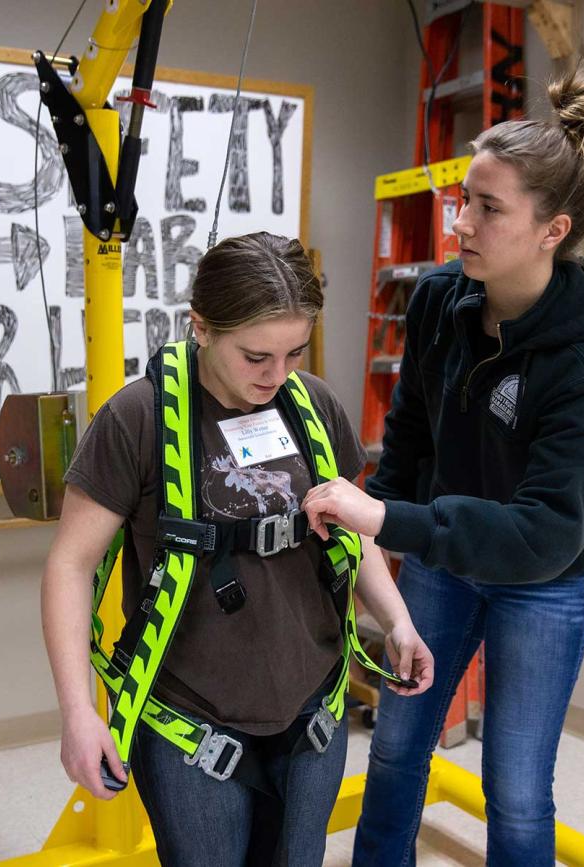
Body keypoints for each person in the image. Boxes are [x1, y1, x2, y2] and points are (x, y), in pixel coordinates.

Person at [301, 66, 584, 866]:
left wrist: (388, 518)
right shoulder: (439, 300)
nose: (462, 221)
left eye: (488, 208)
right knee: (394, 749)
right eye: (463, 199)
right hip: (443, 565)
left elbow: (548, 529)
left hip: (545, 580)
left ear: (552, 230)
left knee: (516, 791)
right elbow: (411, 435)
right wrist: (366, 517)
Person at [41, 231, 435, 866]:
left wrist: (398, 619)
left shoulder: (314, 408)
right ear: (201, 328)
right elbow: (69, 565)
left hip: (314, 710)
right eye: (256, 356)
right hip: (189, 722)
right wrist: (78, 711)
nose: (276, 376)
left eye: (294, 353)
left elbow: (348, 534)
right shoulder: (137, 420)